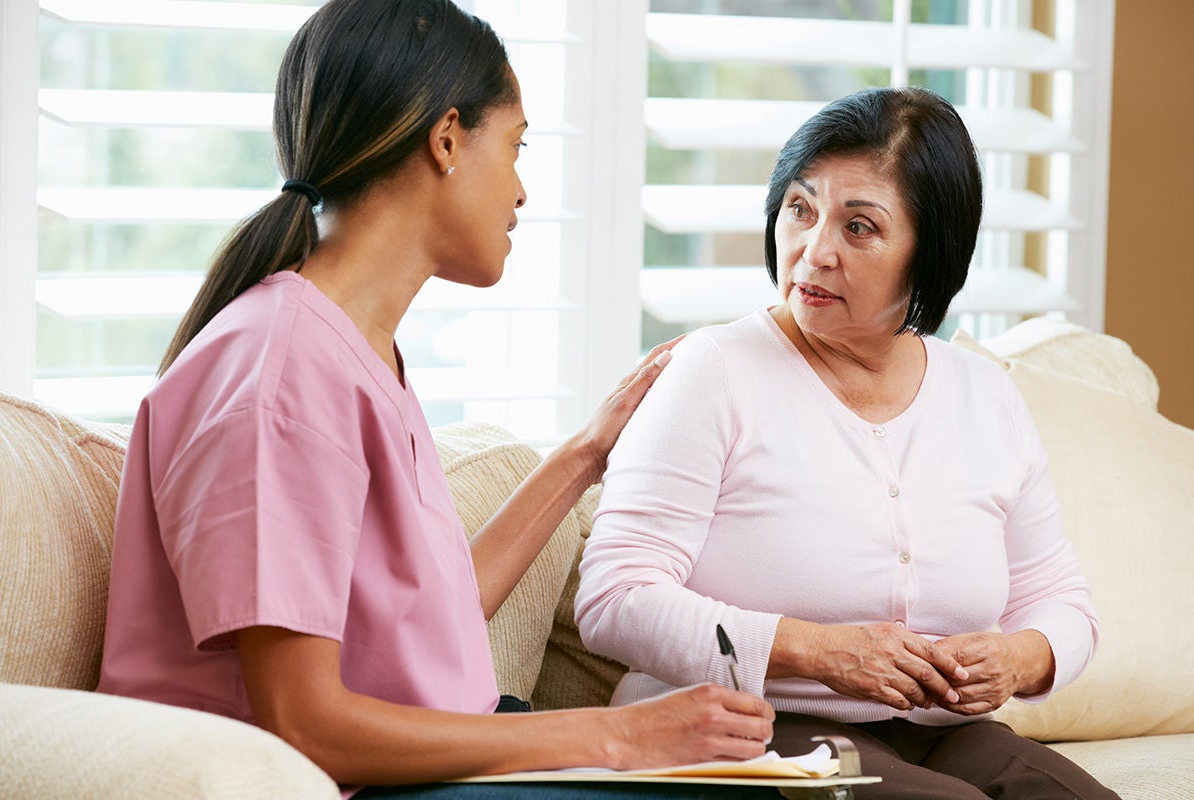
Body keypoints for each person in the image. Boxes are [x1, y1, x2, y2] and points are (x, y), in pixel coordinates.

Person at [96, 1, 783, 798]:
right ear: (448, 138)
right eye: (517, 147)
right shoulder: (279, 373)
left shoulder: (351, 351)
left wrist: (585, 455)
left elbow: (429, 617)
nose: (523, 191)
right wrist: (616, 735)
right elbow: (303, 725)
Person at [573, 87, 1120, 800]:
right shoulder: (714, 371)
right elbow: (613, 599)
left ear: (931, 251)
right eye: (801, 210)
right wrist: (821, 652)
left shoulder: (986, 396)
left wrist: (1018, 659)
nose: (814, 252)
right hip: (742, 723)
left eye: (859, 227)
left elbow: (1061, 600)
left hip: (939, 728)